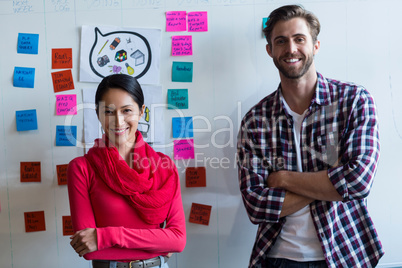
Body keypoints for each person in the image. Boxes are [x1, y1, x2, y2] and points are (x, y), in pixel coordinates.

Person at [237, 5, 384, 268]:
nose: (291, 49)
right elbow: (256, 205)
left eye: (299, 39)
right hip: (277, 258)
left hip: (345, 251)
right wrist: (333, 183)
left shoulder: (353, 101)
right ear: (269, 50)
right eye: (280, 41)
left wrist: (282, 179)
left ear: (315, 45)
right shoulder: (255, 120)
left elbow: (358, 182)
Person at [67, 74, 186, 268]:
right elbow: (89, 250)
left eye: (127, 110)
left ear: (141, 112)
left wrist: (105, 236)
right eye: (108, 111)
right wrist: (160, 244)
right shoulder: (81, 168)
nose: (118, 121)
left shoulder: (165, 167)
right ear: (97, 114)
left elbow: (178, 240)